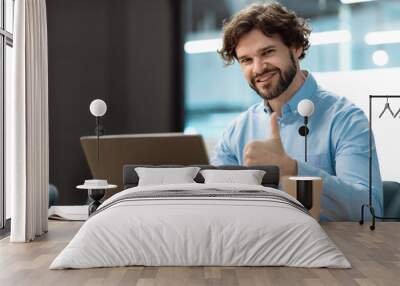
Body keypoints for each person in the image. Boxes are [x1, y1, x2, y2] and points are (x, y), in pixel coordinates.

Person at [211, 2, 382, 221]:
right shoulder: (236, 132)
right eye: (246, 60)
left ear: (296, 47)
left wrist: (292, 169)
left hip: (327, 251)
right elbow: (216, 207)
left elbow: (369, 211)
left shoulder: (346, 119)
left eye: (268, 52)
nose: (259, 67)